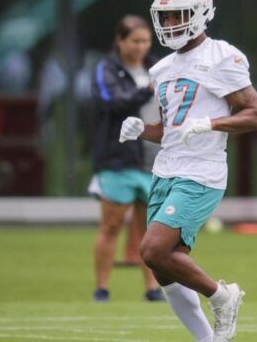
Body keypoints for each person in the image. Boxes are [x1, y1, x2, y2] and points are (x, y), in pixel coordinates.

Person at [119, 0, 257, 341]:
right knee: (165, 268)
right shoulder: (161, 68)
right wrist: (142, 129)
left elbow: (256, 114)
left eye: (178, 14)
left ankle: (223, 296)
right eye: (165, 16)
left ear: (201, 12)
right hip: (165, 170)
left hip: (202, 173)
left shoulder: (222, 56)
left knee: (152, 249)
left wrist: (211, 124)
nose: (170, 23)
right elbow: (171, 127)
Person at [89, 15, 163, 302]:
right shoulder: (106, 69)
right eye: (135, 41)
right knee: (111, 226)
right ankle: (102, 287)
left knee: (152, 230)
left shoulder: (158, 67)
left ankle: (152, 288)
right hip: (118, 160)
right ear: (119, 41)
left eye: (145, 40)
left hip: (155, 161)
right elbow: (111, 101)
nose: (141, 46)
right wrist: (146, 92)